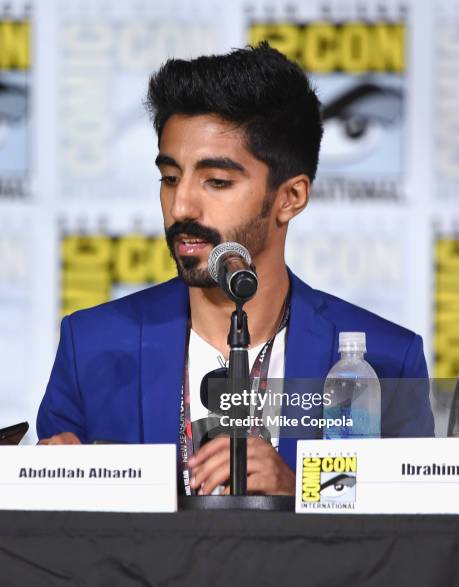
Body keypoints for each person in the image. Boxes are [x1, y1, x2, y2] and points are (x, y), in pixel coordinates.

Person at [37, 43, 434, 496]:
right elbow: (55, 545)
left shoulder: (384, 360)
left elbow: (412, 531)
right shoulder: (91, 345)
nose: (181, 205)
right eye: (169, 177)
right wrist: (52, 480)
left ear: (291, 198)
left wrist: (303, 491)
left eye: (217, 182)